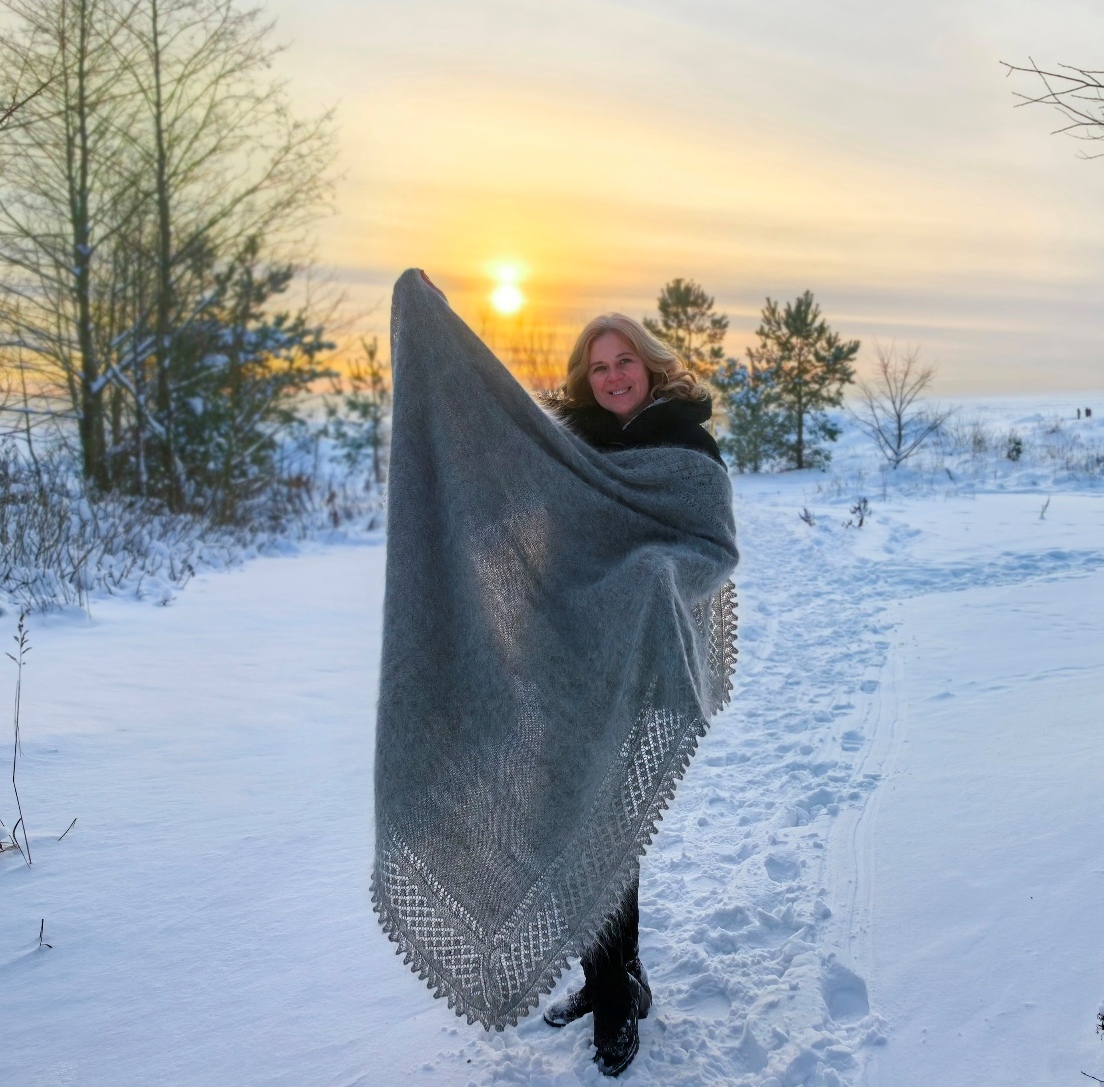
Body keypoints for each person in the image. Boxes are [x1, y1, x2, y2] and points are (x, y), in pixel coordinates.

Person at [542, 313, 724, 1075]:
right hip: (573, 661)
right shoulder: (571, 445)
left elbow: (710, 554)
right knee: (576, 828)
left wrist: (649, 579)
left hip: (645, 664)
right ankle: (612, 975)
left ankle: (616, 997)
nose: (612, 375)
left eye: (625, 361)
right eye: (598, 366)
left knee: (607, 832)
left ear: (649, 366)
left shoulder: (686, 446)